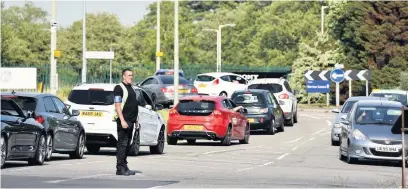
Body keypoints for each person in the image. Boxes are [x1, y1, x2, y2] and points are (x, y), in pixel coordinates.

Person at [113, 68, 139, 176]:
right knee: (122, 145)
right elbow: (117, 105)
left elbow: (133, 105)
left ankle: (124, 165)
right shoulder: (119, 88)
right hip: (124, 121)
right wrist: (122, 120)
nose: (131, 77)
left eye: (132, 75)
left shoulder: (131, 88)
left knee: (128, 144)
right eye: (129, 75)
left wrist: (136, 119)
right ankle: (120, 168)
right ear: (123, 76)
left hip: (131, 121)